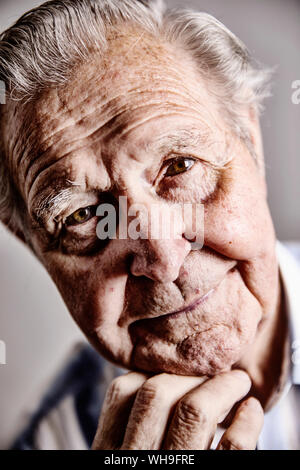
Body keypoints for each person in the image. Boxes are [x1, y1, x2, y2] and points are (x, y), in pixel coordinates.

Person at [1, 0, 299, 450]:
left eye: (179, 166)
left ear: (249, 138)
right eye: (82, 216)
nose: (162, 258)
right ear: (32, 246)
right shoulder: (49, 440)